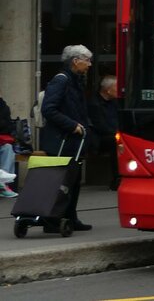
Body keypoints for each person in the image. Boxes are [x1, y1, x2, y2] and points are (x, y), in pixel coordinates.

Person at [40, 44, 93, 231]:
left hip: (72, 141)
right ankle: (52, 220)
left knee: (73, 180)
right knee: (61, 181)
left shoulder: (76, 81)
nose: (90, 64)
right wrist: (72, 125)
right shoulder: (61, 81)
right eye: (87, 60)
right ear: (75, 61)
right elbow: (48, 109)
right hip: (61, 141)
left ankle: (71, 217)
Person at [88, 75, 120, 190]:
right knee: (115, 143)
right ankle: (117, 178)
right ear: (108, 90)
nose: (119, 90)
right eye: (116, 87)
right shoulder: (94, 104)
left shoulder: (114, 102)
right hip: (99, 139)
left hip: (113, 134)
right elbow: (101, 127)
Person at [0, 90, 17, 197]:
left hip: (2, 140)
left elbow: (9, 126)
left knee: (8, 149)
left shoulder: (3, 106)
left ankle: (3, 183)